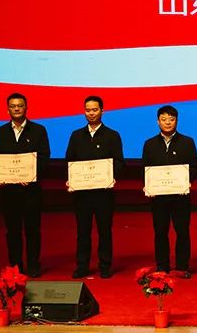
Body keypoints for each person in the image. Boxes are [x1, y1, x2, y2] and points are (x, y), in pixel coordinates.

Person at [65, 95, 124, 279]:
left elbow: (119, 162)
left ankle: (105, 265)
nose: (91, 113)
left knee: (104, 231)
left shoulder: (112, 135)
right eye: (88, 110)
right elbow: (70, 161)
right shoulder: (76, 136)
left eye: (95, 110)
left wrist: (111, 176)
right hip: (82, 194)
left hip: (103, 193)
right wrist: (71, 179)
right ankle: (82, 266)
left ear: (102, 111)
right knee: (82, 231)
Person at [0, 92, 50, 277]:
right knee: (12, 231)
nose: (16, 109)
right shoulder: (1, 131)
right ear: (8, 109)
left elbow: (44, 157)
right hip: (8, 192)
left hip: (31, 191)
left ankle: (33, 265)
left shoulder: (38, 130)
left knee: (32, 230)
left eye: (20, 105)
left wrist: (31, 175)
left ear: (26, 108)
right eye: (13, 106)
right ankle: (15, 266)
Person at [141, 105, 197, 277]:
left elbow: (194, 167)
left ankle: (182, 267)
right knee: (160, 232)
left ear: (177, 121)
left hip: (180, 196)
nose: (168, 123)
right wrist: (147, 184)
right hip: (158, 197)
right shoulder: (149, 144)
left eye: (171, 119)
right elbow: (145, 168)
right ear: (158, 121)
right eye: (164, 119)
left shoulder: (187, 142)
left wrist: (187, 182)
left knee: (182, 231)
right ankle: (162, 266)